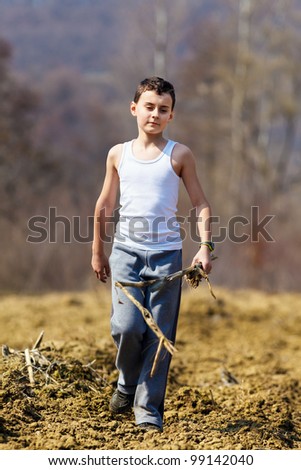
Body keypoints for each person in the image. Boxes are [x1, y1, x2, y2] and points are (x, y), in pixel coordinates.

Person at [91, 77, 214, 433]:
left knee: (160, 337)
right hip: (125, 254)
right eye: (149, 107)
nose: (155, 114)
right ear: (134, 109)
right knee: (127, 327)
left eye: (163, 109)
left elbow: (201, 203)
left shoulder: (180, 155)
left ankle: (148, 411)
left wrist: (205, 247)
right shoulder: (119, 154)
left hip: (167, 258)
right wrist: (98, 251)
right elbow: (104, 205)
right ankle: (127, 383)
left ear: (171, 115)